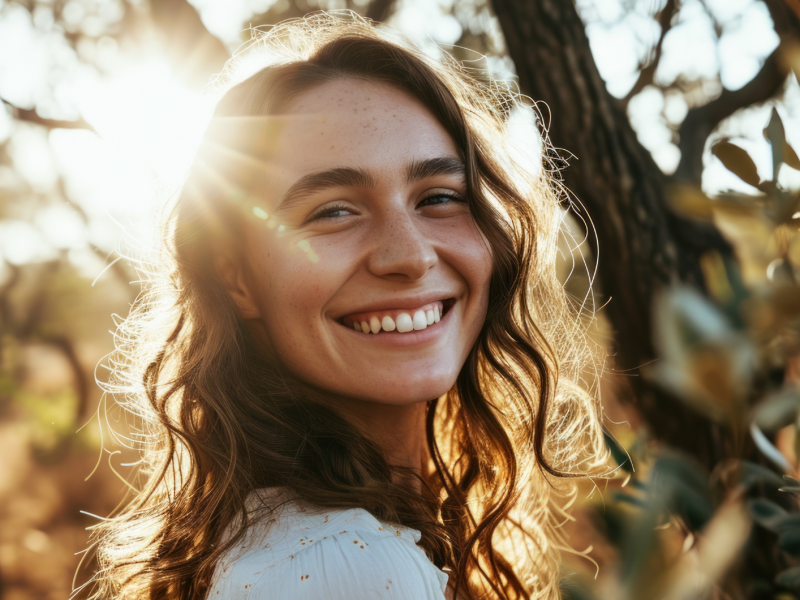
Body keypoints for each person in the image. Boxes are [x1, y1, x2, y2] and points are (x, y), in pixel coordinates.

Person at [87, 11, 608, 600]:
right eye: (333, 211)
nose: (410, 256)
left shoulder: (313, 534)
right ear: (238, 279)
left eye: (439, 197)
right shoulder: (347, 565)